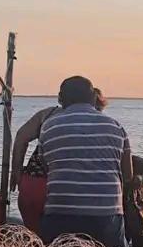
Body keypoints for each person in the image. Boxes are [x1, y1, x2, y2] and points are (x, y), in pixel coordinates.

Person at [37, 76, 132, 247]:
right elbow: (128, 175)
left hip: (61, 213)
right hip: (107, 216)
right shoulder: (115, 127)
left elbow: (46, 166)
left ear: (60, 99)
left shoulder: (49, 127)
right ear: (94, 98)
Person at [10, 88, 109, 233]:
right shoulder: (100, 124)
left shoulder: (48, 114)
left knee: (36, 238)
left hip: (33, 183)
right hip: (68, 192)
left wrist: (16, 171)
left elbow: (21, 137)